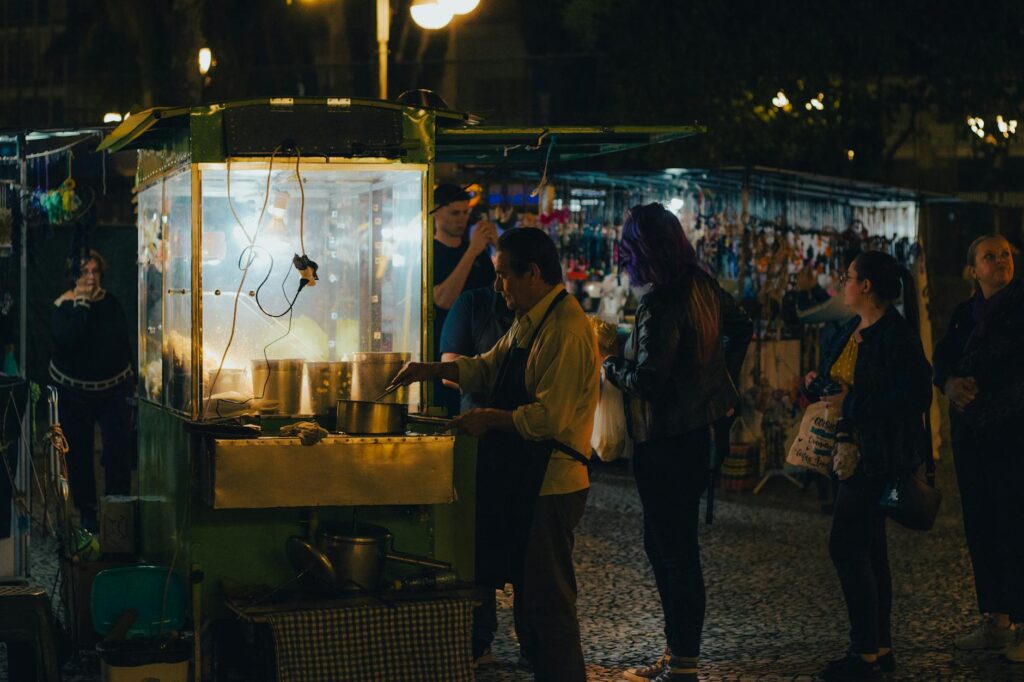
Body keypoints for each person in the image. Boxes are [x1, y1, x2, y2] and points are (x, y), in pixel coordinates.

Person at [391, 228, 599, 681]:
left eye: (505, 275)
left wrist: (489, 418)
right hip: (527, 479)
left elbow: (550, 419)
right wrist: (428, 369)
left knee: (549, 601)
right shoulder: (531, 319)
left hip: (553, 483)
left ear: (533, 273)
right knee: (530, 596)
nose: (498, 284)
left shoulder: (565, 329)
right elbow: (487, 367)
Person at [602, 204, 751, 682]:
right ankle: (678, 651)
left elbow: (649, 379)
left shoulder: (659, 303)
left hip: (665, 440)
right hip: (699, 433)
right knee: (669, 544)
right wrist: (719, 380)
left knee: (673, 550)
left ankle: (683, 660)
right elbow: (741, 324)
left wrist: (609, 364)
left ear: (638, 252)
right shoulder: (703, 286)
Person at [803, 251, 932, 680]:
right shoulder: (853, 329)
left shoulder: (896, 335)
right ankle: (880, 647)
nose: (843, 282)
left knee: (846, 546)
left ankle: (865, 654)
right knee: (871, 551)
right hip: (849, 455)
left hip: (875, 458)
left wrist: (852, 403)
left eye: (849, 277)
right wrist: (818, 386)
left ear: (867, 287)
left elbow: (916, 396)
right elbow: (841, 382)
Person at [933, 234, 1024, 662]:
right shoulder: (963, 316)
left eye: (1006, 254)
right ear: (973, 270)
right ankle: (996, 619)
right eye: (990, 256)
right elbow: (943, 360)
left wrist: (994, 400)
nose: (1001, 260)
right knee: (982, 527)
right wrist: (950, 385)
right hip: (972, 441)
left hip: (1014, 436)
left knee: (1016, 527)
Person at [50, 250, 134, 532]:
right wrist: (82, 304)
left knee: (117, 451)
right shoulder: (64, 306)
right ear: (73, 276)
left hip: (114, 389)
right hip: (74, 391)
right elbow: (68, 340)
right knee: (78, 452)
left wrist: (132, 383)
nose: (90, 277)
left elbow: (124, 342)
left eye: (94, 271)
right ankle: (87, 512)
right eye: (84, 272)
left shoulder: (111, 303)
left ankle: (118, 511)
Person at [431, 183, 499, 416]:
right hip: (443, 357)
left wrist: (497, 246)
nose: (461, 219)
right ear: (436, 212)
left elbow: (502, 292)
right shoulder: (431, 253)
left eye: (465, 213)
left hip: (480, 357)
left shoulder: (478, 253)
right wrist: (471, 252)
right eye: (455, 213)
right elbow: (443, 299)